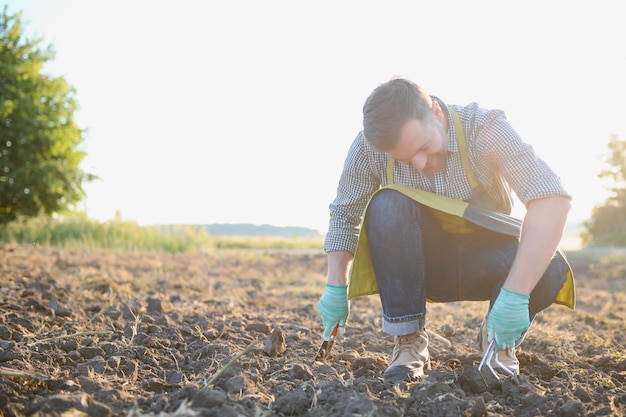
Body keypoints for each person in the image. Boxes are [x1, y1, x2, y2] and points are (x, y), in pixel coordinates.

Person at [317, 77, 575, 384]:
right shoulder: (368, 148)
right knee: (386, 204)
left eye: (425, 147)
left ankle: (498, 341)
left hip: (488, 260)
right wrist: (335, 287)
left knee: (551, 265)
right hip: (423, 265)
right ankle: (409, 345)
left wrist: (516, 295)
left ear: (437, 113)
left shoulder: (485, 128)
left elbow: (551, 198)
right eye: (405, 159)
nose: (421, 163)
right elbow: (346, 213)